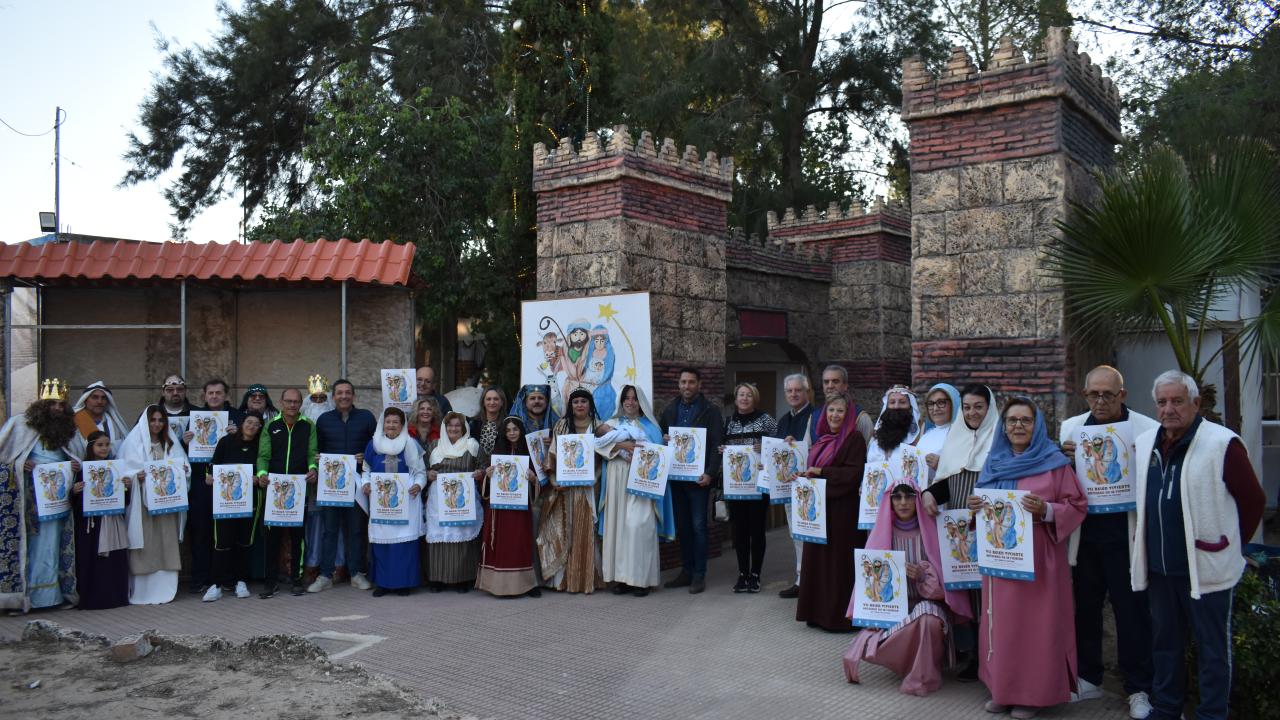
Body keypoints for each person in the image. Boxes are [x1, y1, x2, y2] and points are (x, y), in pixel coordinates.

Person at [1131, 371, 1265, 720]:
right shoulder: (1146, 443)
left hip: (1206, 565)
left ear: (1195, 403)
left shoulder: (1222, 443)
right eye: (1162, 402)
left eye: (1177, 401)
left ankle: (1211, 714)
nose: (1169, 409)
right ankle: (1167, 708)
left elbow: (1252, 500)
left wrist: (1233, 546)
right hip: (1160, 567)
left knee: (1212, 648)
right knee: (1165, 646)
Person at [970, 397, 1087, 719]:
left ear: (1037, 426)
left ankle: (1032, 696)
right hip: (1000, 561)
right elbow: (983, 507)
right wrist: (976, 508)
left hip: (1040, 562)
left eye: (1025, 420)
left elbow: (1077, 506)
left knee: (1035, 628)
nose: (1018, 426)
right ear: (1003, 426)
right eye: (1012, 421)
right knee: (1002, 626)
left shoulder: (1054, 463)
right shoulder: (993, 462)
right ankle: (1002, 690)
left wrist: (1047, 509)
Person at [1058, 366, 1158, 718]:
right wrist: (1064, 460)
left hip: (1126, 535)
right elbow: (1060, 480)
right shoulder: (1071, 428)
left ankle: (1139, 687)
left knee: (1131, 613)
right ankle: (1088, 677)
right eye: (1093, 394)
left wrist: (1136, 458)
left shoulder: (1147, 430)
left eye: (1108, 394)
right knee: (1085, 608)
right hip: (1086, 536)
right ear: (1084, 394)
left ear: (1123, 395)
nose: (1100, 401)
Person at [844, 483, 965, 696]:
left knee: (927, 618)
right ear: (890, 502)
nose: (902, 503)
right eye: (897, 497)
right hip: (894, 611)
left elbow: (944, 590)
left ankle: (923, 676)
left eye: (908, 497)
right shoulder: (882, 533)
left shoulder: (933, 531)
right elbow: (869, 585)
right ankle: (909, 662)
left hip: (929, 604)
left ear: (917, 499)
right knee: (876, 634)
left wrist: (922, 576)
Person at [921, 383, 997, 679]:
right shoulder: (956, 437)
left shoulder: (999, 442)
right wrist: (930, 493)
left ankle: (993, 660)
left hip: (988, 529)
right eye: (967, 407)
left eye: (979, 406)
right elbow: (948, 479)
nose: (972, 412)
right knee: (967, 593)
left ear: (989, 409)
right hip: (959, 533)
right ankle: (974, 657)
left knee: (988, 595)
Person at [0, 386, 86, 612]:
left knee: (53, 543)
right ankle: (29, 597)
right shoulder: (20, 425)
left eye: (61, 404)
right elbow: (4, 459)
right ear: (42, 405)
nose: (57, 408)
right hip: (29, 499)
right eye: (52, 403)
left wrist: (76, 464)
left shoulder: (69, 429)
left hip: (58, 499)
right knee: (32, 545)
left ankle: (52, 596)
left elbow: (77, 454)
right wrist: (20, 465)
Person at [796, 391, 868, 631]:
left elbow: (853, 474)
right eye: (831, 410)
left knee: (837, 565)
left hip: (842, 513)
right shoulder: (822, 439)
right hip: (819, 510)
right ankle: (816, 613)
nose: (835, 415)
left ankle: (837, 618)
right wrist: (805, 476)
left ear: (848, 415)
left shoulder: (854, 439)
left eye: (840, 411)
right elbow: (813, 469)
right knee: (818, 562)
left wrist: (821, 473)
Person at [596, 385, 675, 596]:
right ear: (621, 401)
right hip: (617, 481)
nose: (630, 402)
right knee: (618, 530)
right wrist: (623, 446)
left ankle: (641, 580)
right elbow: (597, 447)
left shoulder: (652, 428)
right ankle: (621, 579)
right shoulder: (610, 424)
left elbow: (658, 456)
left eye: (634, 399)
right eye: (626, 398)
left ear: (641, 402)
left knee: (639, 528)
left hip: (642, 483)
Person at [657, 368, 723, 594]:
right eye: (683, 382)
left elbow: (716, 445)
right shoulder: (670, 410)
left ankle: (699, 574)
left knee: (698, 527)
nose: (687, 386)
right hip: (676, 479)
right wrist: (665, 440)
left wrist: (710, 473)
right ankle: (686, 571)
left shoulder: (710, 411)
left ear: (699, 384)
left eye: (691, 382)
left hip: (698, 480)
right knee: (683, 527)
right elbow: (661, 441)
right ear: (679, 384)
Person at [311, 379, 377, 593]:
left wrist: (365, 457)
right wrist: (317, 459)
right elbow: (315, 450)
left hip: (357, 484)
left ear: (354, 396)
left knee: (356, 530)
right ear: (333, 397)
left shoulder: (366, 417)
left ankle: (357, 573)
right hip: (331, 485)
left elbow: (376, 447)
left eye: (348, 393)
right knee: (329, 530)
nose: (344, 396)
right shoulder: (323, 420)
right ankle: (325, 575)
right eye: (339, 393)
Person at [123, 404, 191, 605]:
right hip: (143, 507)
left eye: (161, 420)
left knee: (165, 543)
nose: (157, 424)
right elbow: (124, 471)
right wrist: (137, 476)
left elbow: (183, 465)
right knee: (146, 544)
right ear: (146, 421)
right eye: (153, 420)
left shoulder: (171, 444)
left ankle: (165, 587)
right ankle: (143, 590)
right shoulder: (133, 443)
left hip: (166, 506)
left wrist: (183, 472)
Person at [539, 388, 605, 594]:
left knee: (585, 531)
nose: (579, 405)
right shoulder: (561, 425)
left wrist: (593, 478)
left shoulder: (598, 426)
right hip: (564, 488)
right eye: (575, 401)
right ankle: (563, 580)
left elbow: (604, 456)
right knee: (564, 531)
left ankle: (585, 579)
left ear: (590, 405)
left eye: (583, 401)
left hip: (588, 487)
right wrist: (553, 480)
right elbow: (552, 456)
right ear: (571, 405)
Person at [255, 388, 318, 598]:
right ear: (281, 403)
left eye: (296, 402)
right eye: (288, 401)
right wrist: (262, 473)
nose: (292, 405)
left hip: (299, 489)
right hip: (275, 489)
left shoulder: (308, 425)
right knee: (272, 538)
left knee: (297, 537)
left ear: (301, 403)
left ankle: (296, 580)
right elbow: (263, 455)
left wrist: (312, 469)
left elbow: (312, 453)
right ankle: (270, 582)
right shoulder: (271, 426)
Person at [358, 407, 426, 597]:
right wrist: (365, 484)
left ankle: (404, 583)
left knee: (403, 546)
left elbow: (420, 472)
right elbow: (366, 471)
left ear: (402, 425)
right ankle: (383, 583)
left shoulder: (410, 444)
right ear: (382, 423)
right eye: (388, 421)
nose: (391, 425)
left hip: (407, 501)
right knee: (382, 544)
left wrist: (419, 485)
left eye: (396, 422)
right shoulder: (373, 445)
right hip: (382, 504)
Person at [182, 378, 239, 596]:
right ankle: (201, 578)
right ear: (204, 396)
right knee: (200, 532)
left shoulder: (236, 417)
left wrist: (238, 436)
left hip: (228, 482)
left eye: (218, 393)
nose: (214, 396)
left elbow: (247, 447)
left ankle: (227, 578)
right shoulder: (194, 419)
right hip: (200, 484)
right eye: (210, 393)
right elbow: (182, 454)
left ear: (226, 395)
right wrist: (184, 441)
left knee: (227, 533)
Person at [476, 416, 541, 597]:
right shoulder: (497, 453)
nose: (512, 433)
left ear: (521, 431)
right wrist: (488, 475)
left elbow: (538, 481)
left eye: (515, 429)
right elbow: (487, 488)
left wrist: (533, 479)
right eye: (508, 430)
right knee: (501, 543)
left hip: (520, 509)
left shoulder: (529, 453)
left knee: (520, 542)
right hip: (499, 509)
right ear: (503, 433)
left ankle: (526, 584)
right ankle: (497, 585)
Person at [722, 382, 777, 593]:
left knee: (757, 530)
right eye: (741, 395)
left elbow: (779, 443)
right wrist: (722, 451)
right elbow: (724, 446)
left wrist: (766, 447)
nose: (744, 398)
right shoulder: (728, 422)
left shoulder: (766, 420)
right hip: (736, 487)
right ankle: (742, 573)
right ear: (735, 399)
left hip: (758, 485)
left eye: (748, 395)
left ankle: (756, 574)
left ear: (755, 398)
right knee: (739, 532)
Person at [204, 410, 265, 601]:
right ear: (241, 423)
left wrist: (259, 478)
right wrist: (209, 477)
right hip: (225, 503)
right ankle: (216, 585)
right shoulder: (226, 441)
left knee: (244, 542)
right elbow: (212, 466)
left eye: (256, 424)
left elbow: (265, 470)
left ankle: (241, 581)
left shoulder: (261, 446)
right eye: (249, 422)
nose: (251, 426)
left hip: (250, 502)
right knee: (221, 543)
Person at [71, 431, 131, 610]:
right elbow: (74, 502)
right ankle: (93, 599)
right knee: (92, 561)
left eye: (107, 445)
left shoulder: (115, 468)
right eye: (100, 445)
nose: (104, 448)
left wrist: (127, 488)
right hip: (91, 525)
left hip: (112, 520)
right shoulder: (83, 470)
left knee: (113, 561)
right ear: (91, 447)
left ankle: (115, 597)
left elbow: (124, 501)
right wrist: (74, 491)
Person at [426, 412, 483, 591]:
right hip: (438, 500)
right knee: (440, 536)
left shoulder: (472, 446)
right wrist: (429, 474)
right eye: (450, 425)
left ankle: (464, 578)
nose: (454, 428)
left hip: (463, 500)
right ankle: (437, 579)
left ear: (464, 428)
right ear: (444, 427)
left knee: (462, 533)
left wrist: (480, 473)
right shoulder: (435, 446)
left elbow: (483, 466)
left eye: (458, 425)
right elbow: (423, 470)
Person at [774, 373, 814, 599]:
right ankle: (800, 578)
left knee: (809, 535)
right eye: (789, 391)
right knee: (795, 534)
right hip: (787, 486)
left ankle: (808, 580)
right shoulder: (783, 420)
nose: (793, 394)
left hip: (808, 486)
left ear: (806, 392)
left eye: (798, 390)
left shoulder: (815, 416)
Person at [813, 365, 874, 442]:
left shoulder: (860, 417)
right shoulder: (814, 417)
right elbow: (808, 450)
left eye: (835, 381)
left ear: (845, 386)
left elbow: (870, 450)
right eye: (826, 382)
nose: (830, 386)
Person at [71, 381, 130, 449]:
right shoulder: (75, 420)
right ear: (85, 400)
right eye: (95, 397)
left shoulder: (116, 424)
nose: (99, 401)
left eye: (103, 398)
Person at [918, 383, 961, 474]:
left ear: (953, 403)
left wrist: (941, 465)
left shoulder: (961, 434)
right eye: (931, 403)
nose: (935, 408)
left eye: (941, 402)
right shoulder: (926, 432)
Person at [471, 387, 508, 459]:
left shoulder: (508, 424)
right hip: (476, 468)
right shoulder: (474, 424)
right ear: (483, 403)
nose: (492, 402)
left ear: (502, 402)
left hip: (499, 467)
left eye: (496, 399)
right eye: (488, 399)